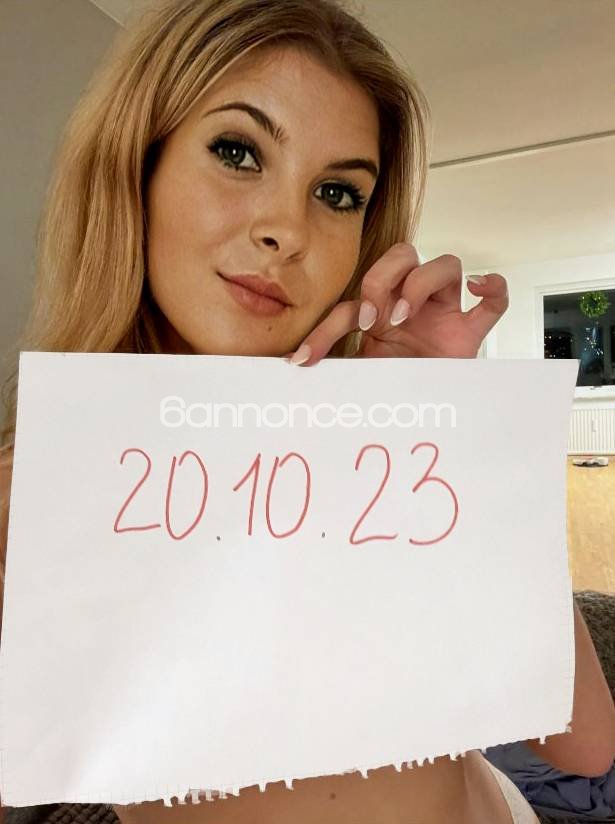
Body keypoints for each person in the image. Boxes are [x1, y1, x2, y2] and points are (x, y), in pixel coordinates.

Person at [0, 1, 614, 822]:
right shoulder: (31, 490)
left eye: (336, 192)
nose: (287, 230)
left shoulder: (376, 455)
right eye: (236, 152)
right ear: (135, 168)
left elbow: (583, 745)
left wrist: (446, 424)